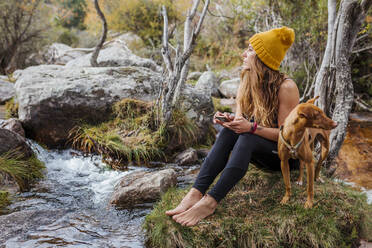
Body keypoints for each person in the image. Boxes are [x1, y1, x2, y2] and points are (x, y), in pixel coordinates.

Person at [165, 26, 300, 227]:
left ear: (264, 58)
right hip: (259, 148)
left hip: (284, 157)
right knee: (231, 131)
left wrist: (251, 128)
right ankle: (195, 193)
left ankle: (210, 202)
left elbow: (286, 137)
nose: (244, 54)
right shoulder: (248, 76)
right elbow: (240, 109)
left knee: (248, 136)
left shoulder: (286, 87)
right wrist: (232, 120)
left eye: (251, 50)